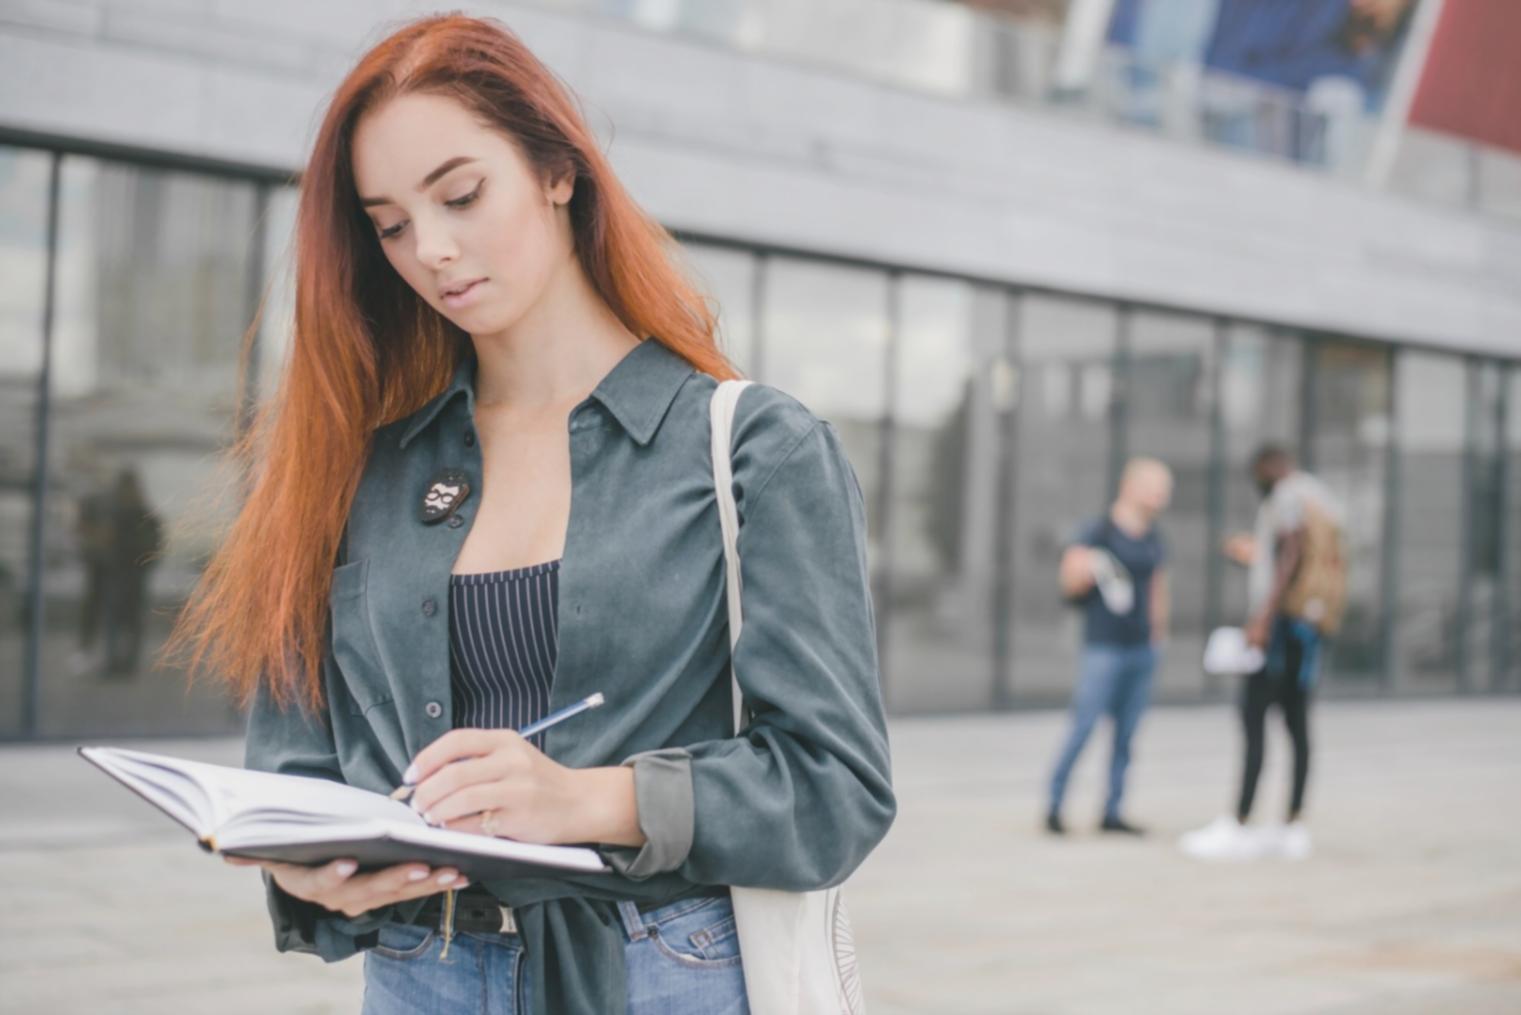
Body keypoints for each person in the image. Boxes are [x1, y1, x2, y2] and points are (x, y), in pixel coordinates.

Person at [162, 15, 894, 1015]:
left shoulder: (753, 448)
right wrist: (305, 869)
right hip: (423, 974)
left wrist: (586, 799)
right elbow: (295, 766)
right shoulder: (359, 470)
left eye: (461, 194)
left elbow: (835, 785)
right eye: (389, 223)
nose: (433, 249)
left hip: (661, 974)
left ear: (558, 169)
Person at [1180, 444, 1345, 862]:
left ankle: (1238, 823)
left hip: (1283, 629)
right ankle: (1292, 826)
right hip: (1310, 626)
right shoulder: (1320, 497)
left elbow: (1290, 553)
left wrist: (1262, 619)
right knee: (1296, 723)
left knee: (1254, 717)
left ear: (1269, 467)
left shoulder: (1287, 496)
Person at [1045, 457, 1172, 837]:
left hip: (1141, 649)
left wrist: (1157, 635)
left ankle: (1113, 811)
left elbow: (1158, 590)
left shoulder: (1154, 538)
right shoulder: (1096, 531)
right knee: (1083, 727)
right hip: (1103, 648)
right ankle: (1054, 805)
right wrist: (1087, 570)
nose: (1161, 495)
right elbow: (1069, 582)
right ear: (1130, 485)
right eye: (1154, 486)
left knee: (1127, 735)